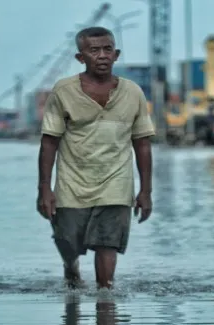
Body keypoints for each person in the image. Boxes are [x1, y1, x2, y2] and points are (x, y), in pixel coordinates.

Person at [37, 26, 155, 290]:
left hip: (116, 182)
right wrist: (44, 188)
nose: (102, 55)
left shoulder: (133, 93)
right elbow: (49, 142)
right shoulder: (63, 91)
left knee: (108, 243)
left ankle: (106, 298)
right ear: (81, 58)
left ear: (116, 55)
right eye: (94, 50)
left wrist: (146, 191)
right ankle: (71, 267)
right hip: (72, 182)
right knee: (68, 242)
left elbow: (143, 144)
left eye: (107, 49)